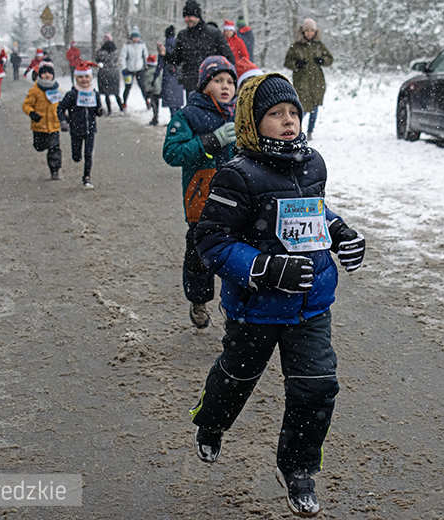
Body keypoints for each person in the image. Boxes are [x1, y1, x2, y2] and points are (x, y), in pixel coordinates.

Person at [189, 73, 365, 518]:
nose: (288, 122)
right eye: (275, 114)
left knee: (317, 389)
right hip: (257, 309)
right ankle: (210, 424)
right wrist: (263, 268)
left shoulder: (312, 163)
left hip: (310, 304)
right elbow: (211, 242)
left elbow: (312, 208)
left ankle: (299, 469)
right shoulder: (237, 175)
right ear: (252, 120)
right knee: (236, 380)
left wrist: (339, 230)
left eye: (293, 113)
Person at [162, 56, 238, 329]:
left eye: (230, 81)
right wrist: (211, 141)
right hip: (201, 198)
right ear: (205, 84)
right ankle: (199, 300)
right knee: (199, 255)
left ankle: (235, 307)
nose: (226, 86)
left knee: (236, 253)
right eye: (218, 80)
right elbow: (172, 152)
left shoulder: (238, 114)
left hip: (236, 199)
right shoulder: (188, 115)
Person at [157, 0, 235, 98]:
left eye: (189, 16)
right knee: (193, 112)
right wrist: (165, 54)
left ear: (198, 17)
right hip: (191, 85)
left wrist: (222, 78)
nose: (186, 19)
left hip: (212, 84)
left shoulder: (213, 34)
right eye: (185, 16)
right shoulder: (183, 35)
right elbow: (176, 59)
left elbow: (229, 58)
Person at [58, 62, 106, 189]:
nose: (84, 80)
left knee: (89, 154)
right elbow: (60, 108)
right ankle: (77, 157)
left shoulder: (94, 93)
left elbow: (97, 108)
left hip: (90, 129)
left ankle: (87, 178)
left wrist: (100, 111)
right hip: (75, 129)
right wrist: (63, 121)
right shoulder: (72, 94)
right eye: (81, 77)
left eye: (86, 77)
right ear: (76, 78)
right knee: (77, 156)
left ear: (90, 78)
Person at [283, 18, 333, 141]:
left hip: (317, 81)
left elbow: (330, 59)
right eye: (307, 31)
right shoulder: (296, 46)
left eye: (312, 31)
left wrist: (322, 60)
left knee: (314, 109)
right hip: (301, 82)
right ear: (303, 32)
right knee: (301, 108)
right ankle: (296, 130)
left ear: (315, 32)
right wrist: (296, 64)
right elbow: (287, 62)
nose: (309, 33)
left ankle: (310, 131)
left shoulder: (319, 46)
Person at [22, 60, 63, 180]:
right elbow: (26, 105)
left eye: (49, 73)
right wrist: (32, 113)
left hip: (53, 125)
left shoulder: (57, 90)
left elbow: (61, 105)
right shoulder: (35, 90)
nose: (47, 75)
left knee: (54, 148)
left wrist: (65, 116)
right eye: (44, 73)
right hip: (39, 126)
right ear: (39, 75)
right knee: (39, 146)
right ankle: (42, 146)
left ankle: (54, 171)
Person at [158, 26, 185, 118]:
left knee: (171, 103)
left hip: (168, 78)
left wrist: (154, 77)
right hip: (179, 78)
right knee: (178, 102)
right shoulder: (180, 47)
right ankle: (179, 121)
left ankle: (174, 121)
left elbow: (159, 65)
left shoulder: (164, 48)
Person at [119, 28, 150, 110]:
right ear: (131, 37)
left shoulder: (142, 45)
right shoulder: (127, 46)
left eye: (137, 37)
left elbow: (146, 56)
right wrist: (124, 68)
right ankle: (124, 103)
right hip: (129, 70)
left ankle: (147, 101)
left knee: (143, 86)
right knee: (128, 87)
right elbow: (122, 57)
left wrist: (146, 66)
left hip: (140, 69)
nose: (136, 39)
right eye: (134, 37)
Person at [95, 34, 122, 116]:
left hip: (105, 73)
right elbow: (116, 59)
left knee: (107, 93)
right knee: (116, 92)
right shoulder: (115, 49)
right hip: (114, 73)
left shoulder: (102, 50)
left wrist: (99, 51)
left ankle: (109, 110)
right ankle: (122, 109)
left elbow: (98, 59)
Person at [146, 54, 162, 126]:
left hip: (154, 91)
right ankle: (156, 117)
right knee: (156, 104)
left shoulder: (149, 72)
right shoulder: (158, 70)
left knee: (154, 105)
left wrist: (148, 91)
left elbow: (150, 82)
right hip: (159, 90)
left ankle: (155, 118)